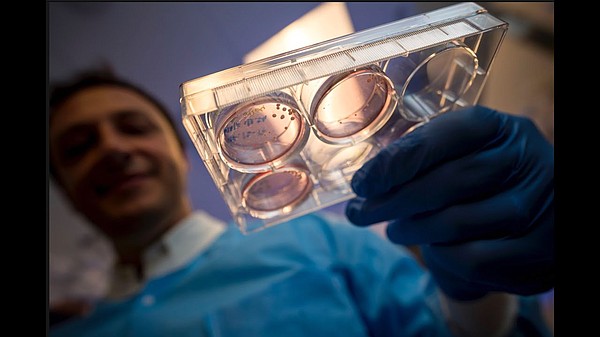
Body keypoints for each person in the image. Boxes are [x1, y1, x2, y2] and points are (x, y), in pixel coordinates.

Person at [48, 68, 554, 337]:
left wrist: (479, 298)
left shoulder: (318, 240)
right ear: (65, 188)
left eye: (134, 128)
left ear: (184, 153)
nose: (112, 149)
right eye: (77, 148)